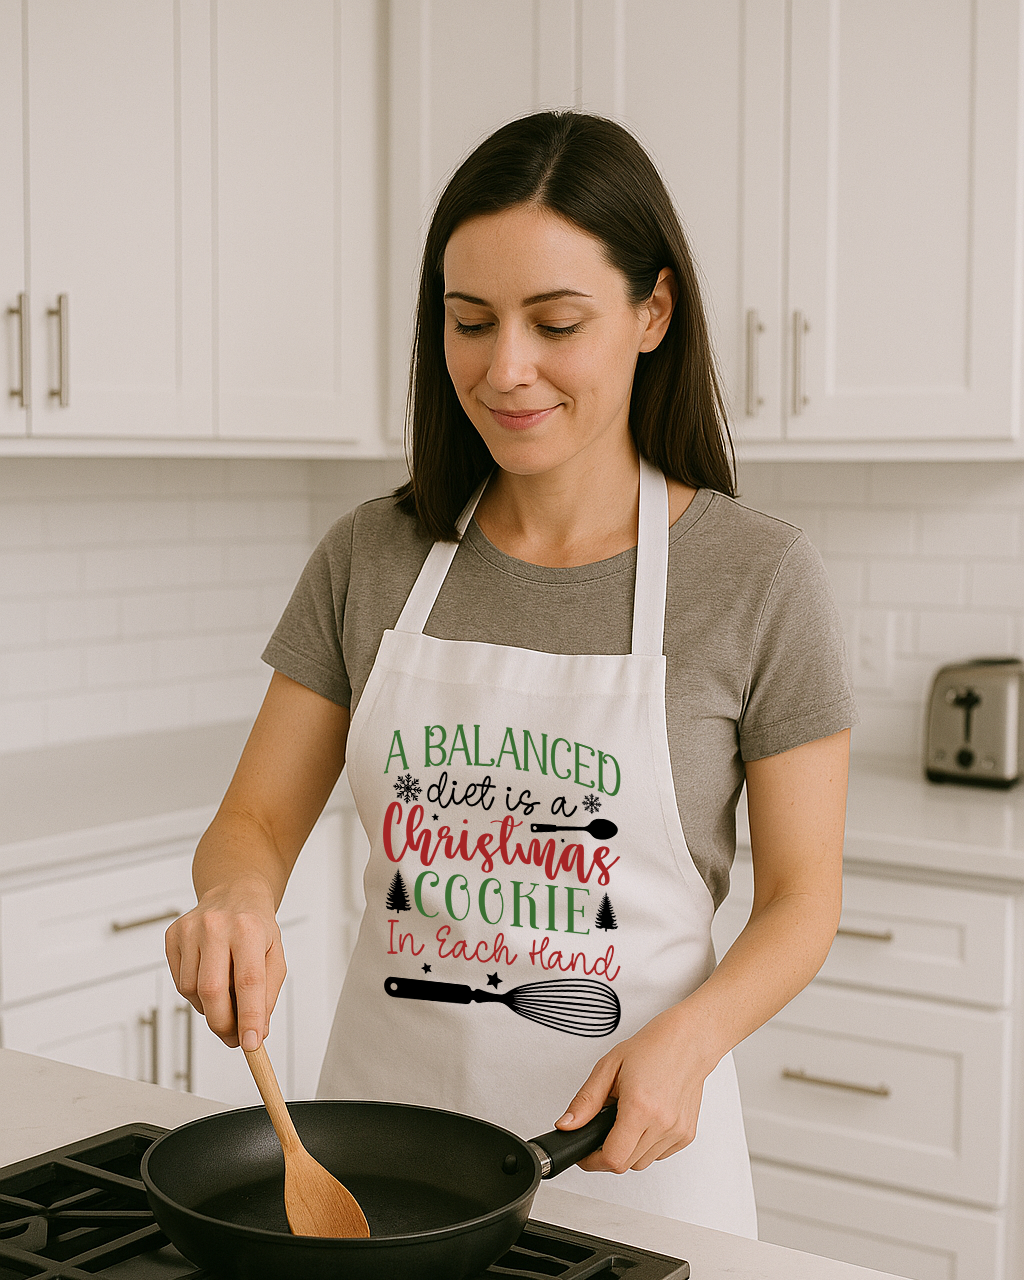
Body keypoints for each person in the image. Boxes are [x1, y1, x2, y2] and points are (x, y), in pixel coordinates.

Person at [166, 110, 855, 1237]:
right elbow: (250, 817)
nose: (505, 367)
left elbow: (800, 899)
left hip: (632, 1165)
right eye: (470, 321)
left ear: (652, 312)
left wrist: (692, 1037)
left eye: (556, 321)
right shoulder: (372, 553)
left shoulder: (756, 574)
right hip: (370, 1161)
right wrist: (235, 897)